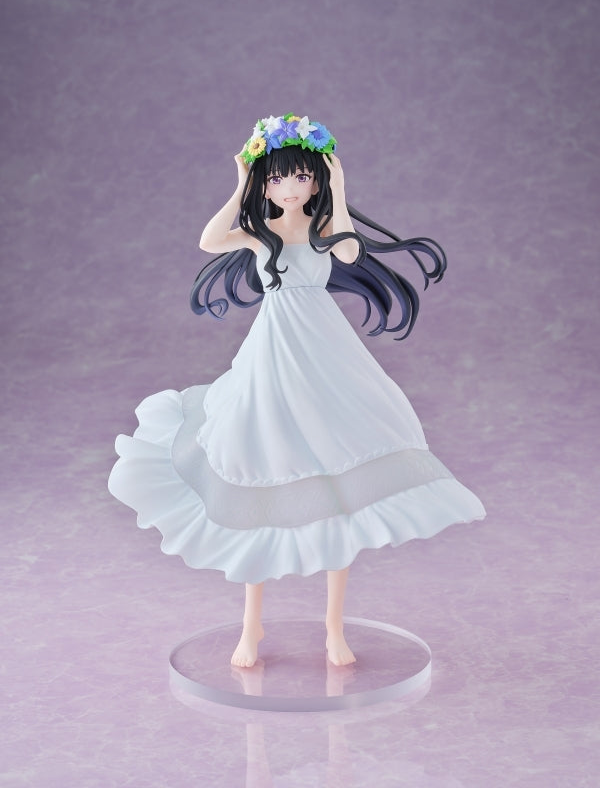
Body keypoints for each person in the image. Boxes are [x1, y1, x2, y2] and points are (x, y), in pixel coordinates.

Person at [108, 114, 486, 669]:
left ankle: (334, 627)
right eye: (279, 178)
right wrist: (241, 183)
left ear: (315, 180)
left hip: (324, 350)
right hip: (272, 351)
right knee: (258, 461)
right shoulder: (258, 232)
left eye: (302, 177)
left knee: (339, 476)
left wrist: (339, 186)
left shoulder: (323, 228)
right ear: (267, 184)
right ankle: (251, 625)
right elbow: (208, 240)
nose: (291, 187)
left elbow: (351, 254)